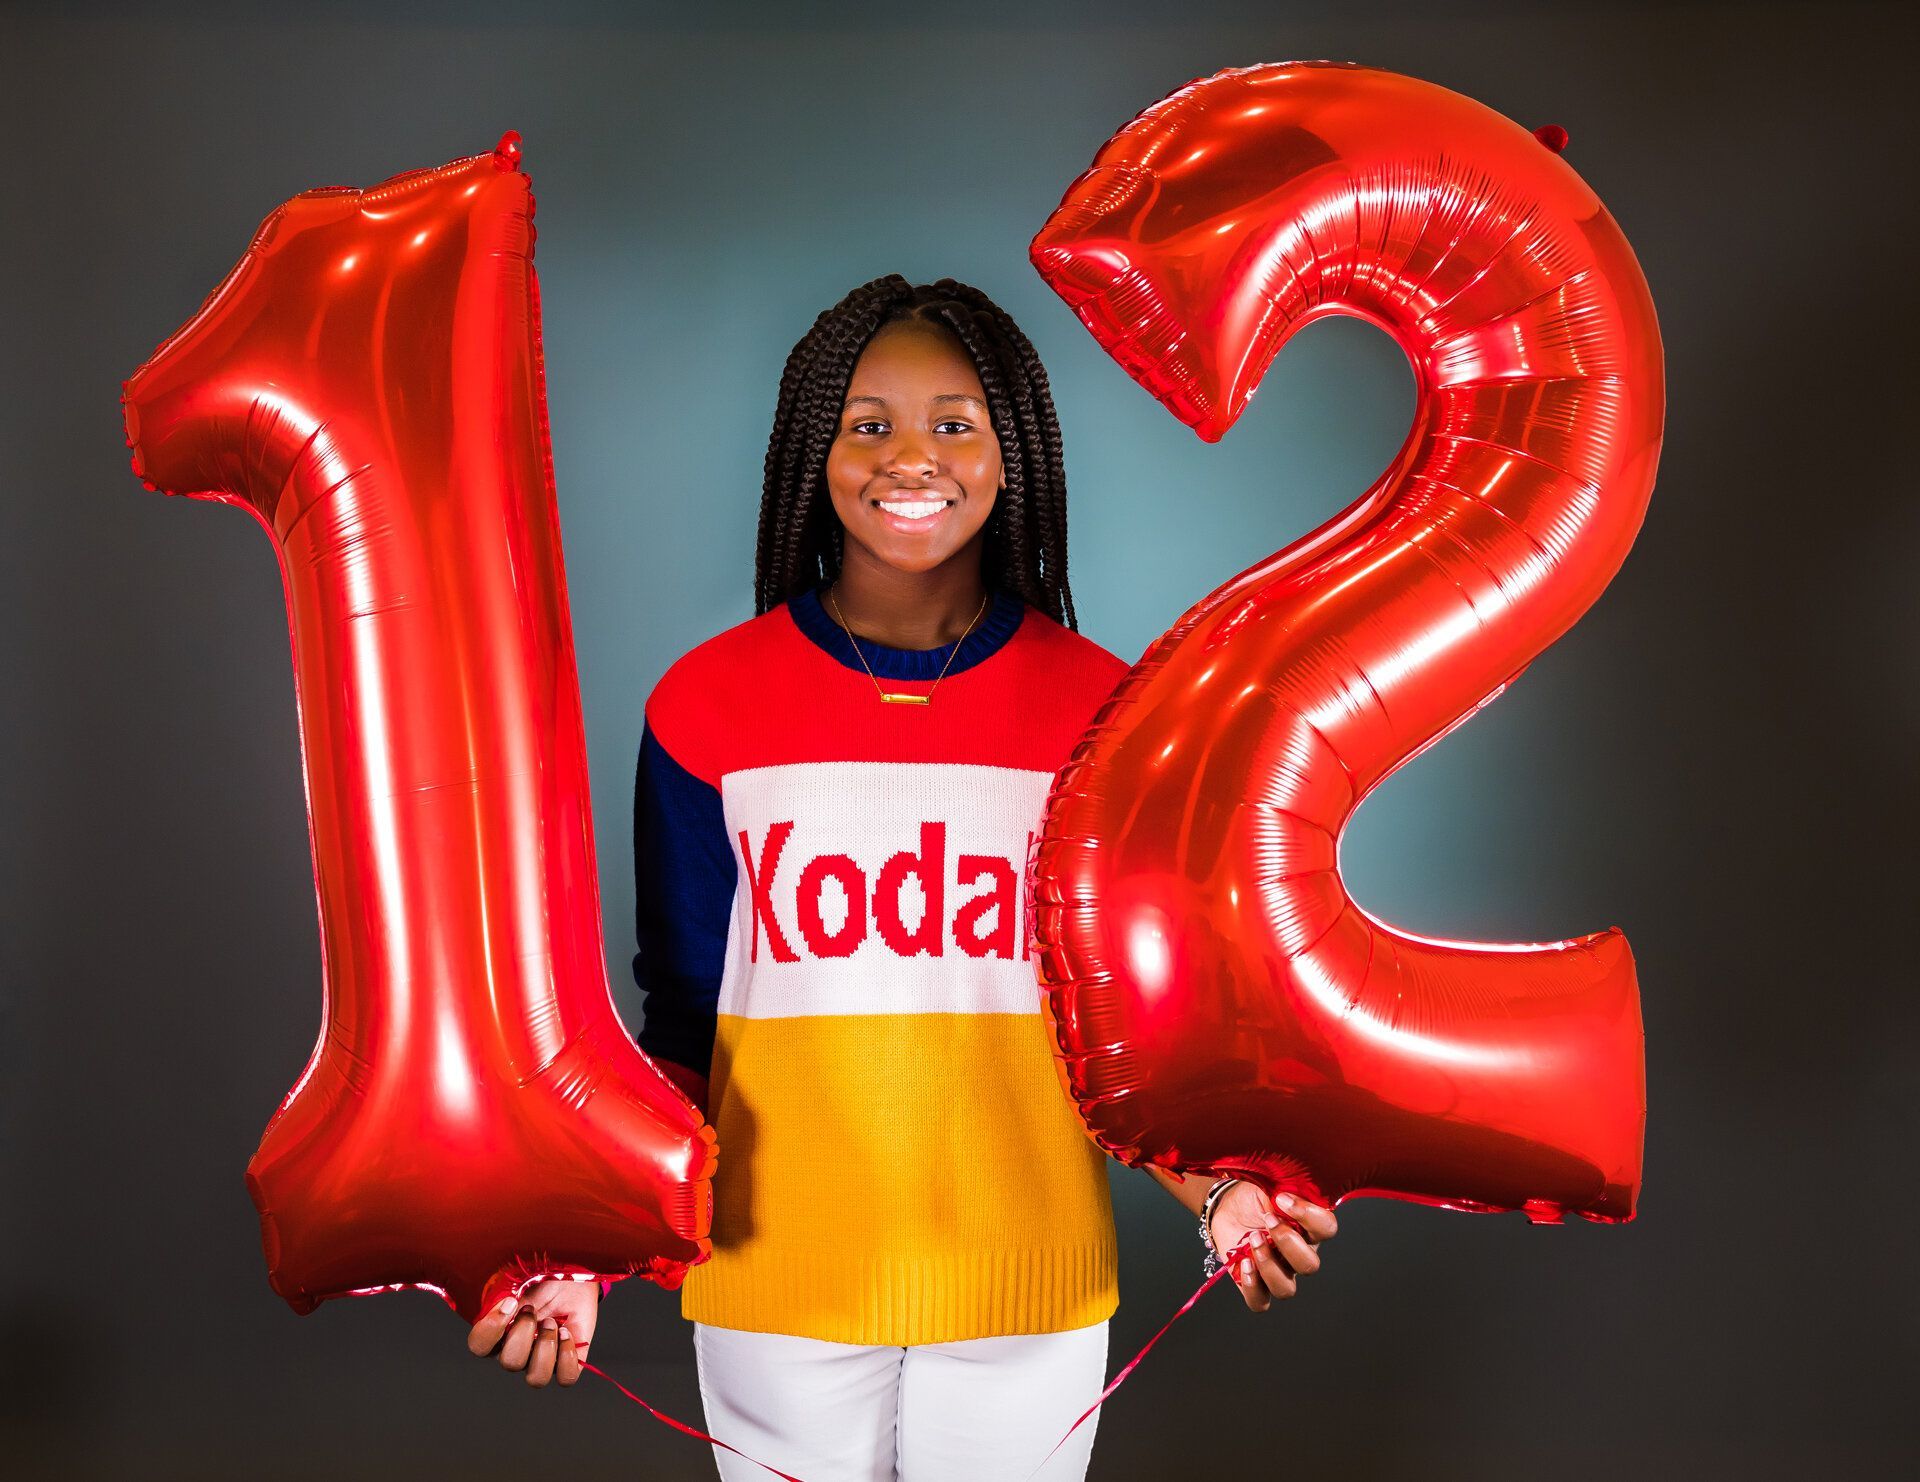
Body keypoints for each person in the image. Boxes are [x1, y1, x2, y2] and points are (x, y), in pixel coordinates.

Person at [465, 275, 1337, 1477]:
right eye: (867, 423)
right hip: (776, 1277)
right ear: (812, 450)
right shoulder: (703, 705)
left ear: (1012, 449)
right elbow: (678, 1022)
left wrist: (1217, 1191)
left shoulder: (1106, 710)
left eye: (956, 421)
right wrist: (592, 1238)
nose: (909, 457)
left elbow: (1128, 1022)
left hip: (1023, 1282)